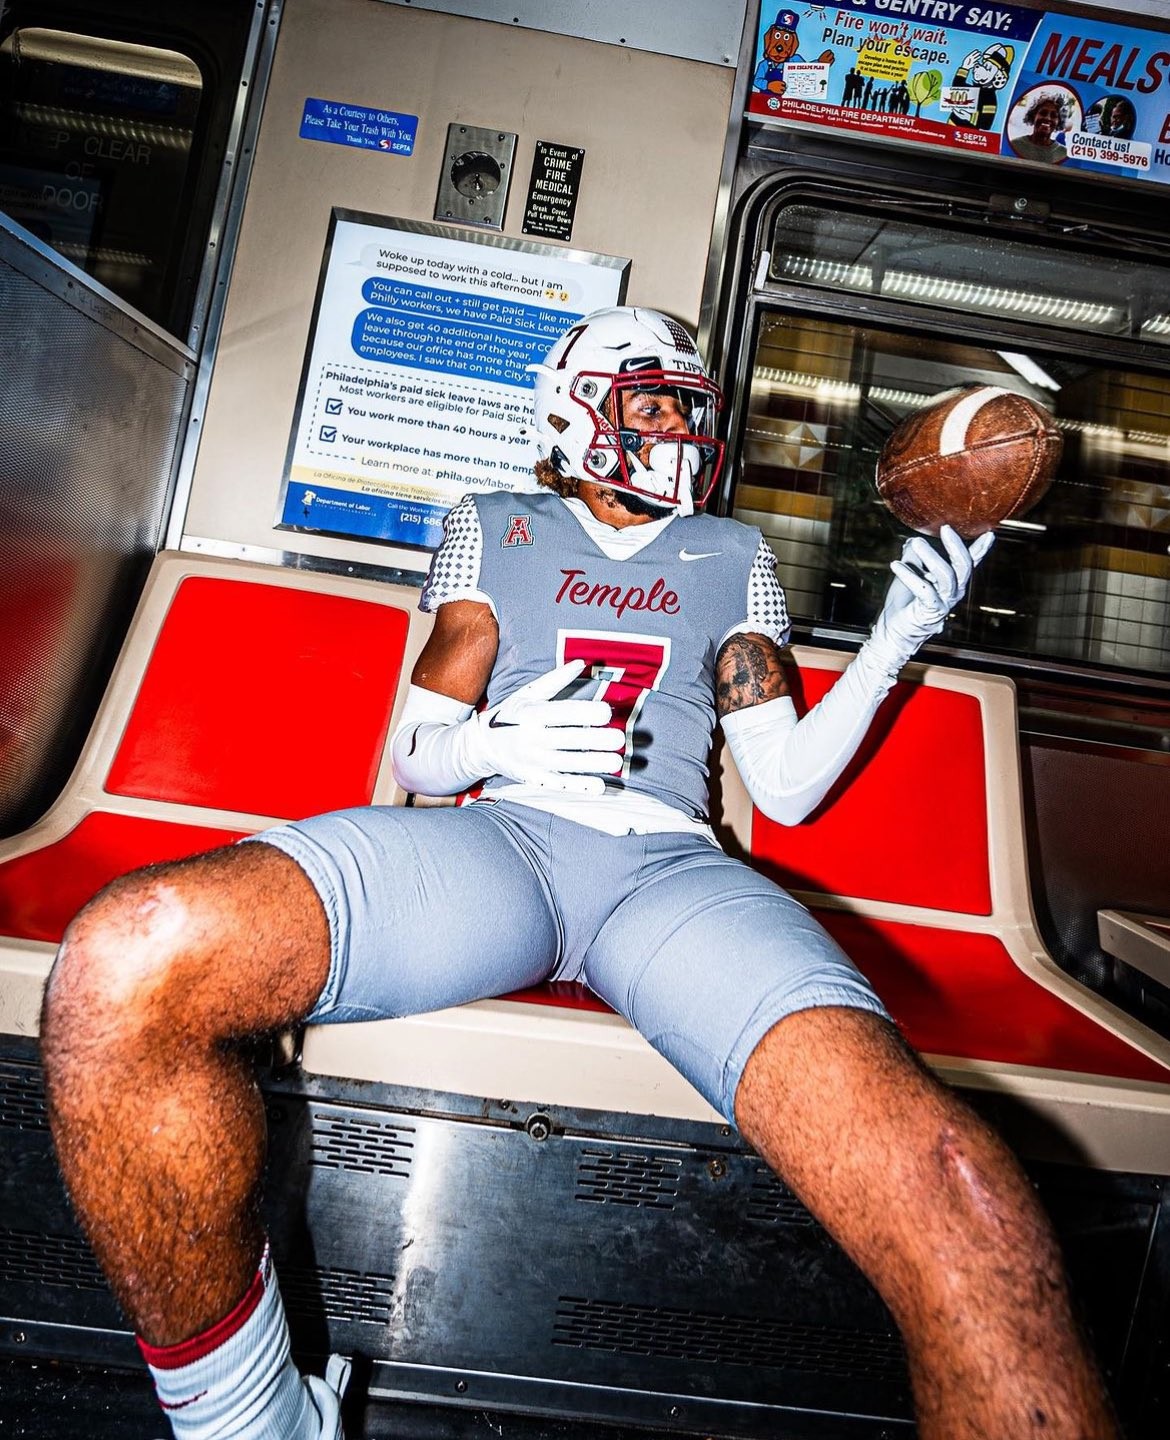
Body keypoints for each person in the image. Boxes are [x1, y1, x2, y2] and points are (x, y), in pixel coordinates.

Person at [39, 306, 1118, 1440]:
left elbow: (787, 786)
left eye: (691, 414)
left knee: (962, 1185)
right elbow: (418, 752)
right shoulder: (495, 527)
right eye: (656, 406)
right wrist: (489, 744)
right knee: (131, 957)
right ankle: (255, 1421)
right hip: (506, 844)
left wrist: (897, 636)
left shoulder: (734, 555)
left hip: (671, 873)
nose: (682, 435)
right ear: (575, 412)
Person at [1010, 92, 1069, 164]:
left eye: (1053, 115)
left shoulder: (1064, 153)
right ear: (1033, 115)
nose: (1048, 118)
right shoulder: (1015, 145)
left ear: (1059, 122)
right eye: (1043, 113)